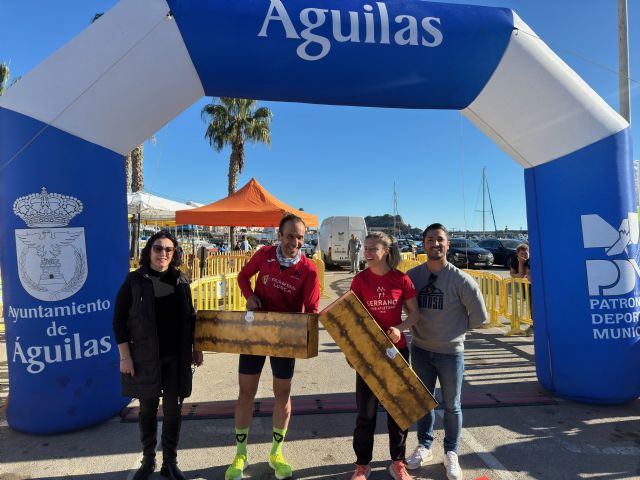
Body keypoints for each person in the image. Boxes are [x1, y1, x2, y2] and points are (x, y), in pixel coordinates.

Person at [225, 214, 320, 480]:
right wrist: (250, 296)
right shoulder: (264, 254)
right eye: (290, 236)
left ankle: (276, 453)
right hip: (255, 332)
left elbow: (311, 310)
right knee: (246, 392)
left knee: (282, 395)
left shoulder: (309, 270)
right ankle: (240, 454)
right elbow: (243, 278)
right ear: (279, 235)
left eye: (300, 237)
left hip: (284, 338)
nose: (295, 242)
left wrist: (306, 329)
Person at [113, 232, 204, 480]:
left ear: (174, 254)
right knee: (147, 410)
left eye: (168, 250)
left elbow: (191, 318)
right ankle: (148, 459)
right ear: (149, 251)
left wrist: (197, 347)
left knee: (173, 411)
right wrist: (125, 357)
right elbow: (119, 321)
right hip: (144, 357)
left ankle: (170, 462)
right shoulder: (134, 281)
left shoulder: (181, 281)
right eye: (158, 248)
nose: (163, 254)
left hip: (176, 357)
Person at [404, 224, 487, 480]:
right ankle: (425, 446)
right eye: (430, 240)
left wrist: (454, 331)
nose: (435, 244)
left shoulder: (461, 280)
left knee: (452, 406)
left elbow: (479, 317)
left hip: (451, 353)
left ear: (448, 244)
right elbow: (407, 307)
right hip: (420, 350)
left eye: (440, 240)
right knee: (424, 403)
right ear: (423, 244)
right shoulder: (413, 276)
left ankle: (451, 452)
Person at [348, 232, 422, 480]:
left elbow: (415, 314)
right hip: (369, 354)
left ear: (386, 251)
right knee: (366, 413)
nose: (367, 253)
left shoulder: (401, 279)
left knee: (397, 411)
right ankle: (362, 465)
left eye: (372, 249)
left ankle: (397, 462)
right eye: (365, 248)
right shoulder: (359, 280)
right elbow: (351, 319)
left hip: (395, 352)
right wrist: (352, 351)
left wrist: (399, 329)